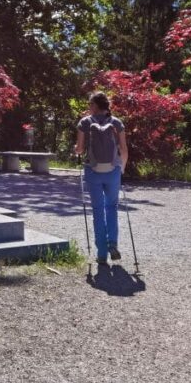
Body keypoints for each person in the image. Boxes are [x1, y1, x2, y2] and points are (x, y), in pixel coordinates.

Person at [74, 92, 129, 264]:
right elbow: (124, 150)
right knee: (112, 207)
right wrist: (121, 169)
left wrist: (75, 149)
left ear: (95, 105)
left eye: (90, 104)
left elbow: (80, 150)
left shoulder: (85, 122)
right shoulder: (117, 122)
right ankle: (113, 243)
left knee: (98, 210)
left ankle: (101, 253)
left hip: (93, 171)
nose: (89, 107)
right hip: (113, 171)